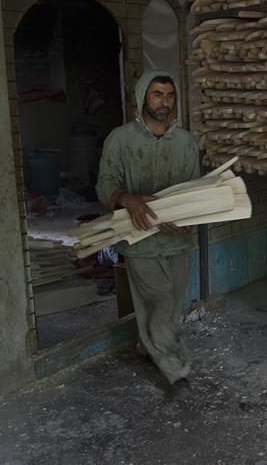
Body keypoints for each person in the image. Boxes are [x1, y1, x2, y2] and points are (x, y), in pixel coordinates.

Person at [96, 70, 200, 396]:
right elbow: (105, 184)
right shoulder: (121, 139)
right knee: (161, 302)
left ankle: (145, 346)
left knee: (169, 306)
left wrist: (188, 219)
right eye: (157, 94)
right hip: (139, 238)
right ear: (142, 98)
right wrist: (127, 199)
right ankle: (176, 371)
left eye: (169, 95)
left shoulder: (185, 143)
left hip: (177, 239)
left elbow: (194, 190)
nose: (164, 102)